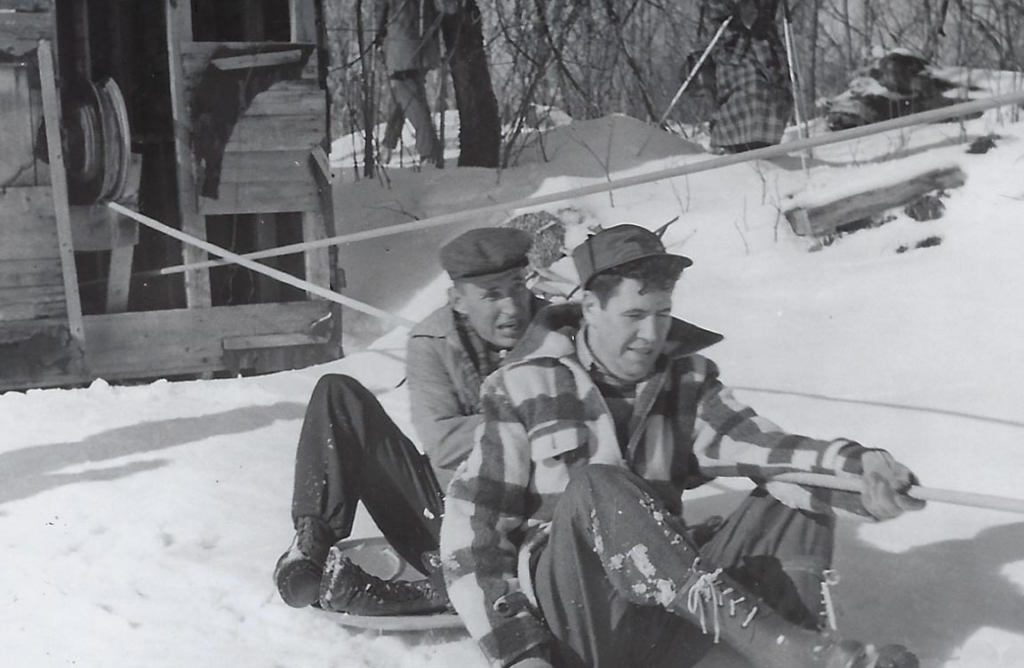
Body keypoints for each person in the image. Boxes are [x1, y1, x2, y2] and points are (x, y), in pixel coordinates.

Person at [440, 224, 925, 668]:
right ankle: (779, 648)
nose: (651, 334)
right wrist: (518, 650)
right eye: (633, 315)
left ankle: (805, 647)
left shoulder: (686, 381)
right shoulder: (524, 386)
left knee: (796, 487)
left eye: (662, 314)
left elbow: (762, 446)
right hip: (577, 623)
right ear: (590, 308)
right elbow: (472, 528)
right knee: (596, 485)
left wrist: (859, 475)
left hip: (665, 612)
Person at [274, 227, 546, 615]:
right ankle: (310, 547)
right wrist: (533, 410)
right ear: (459, 300)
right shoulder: (432, 341)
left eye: (518, 286)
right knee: (338, 395)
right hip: (446, 516)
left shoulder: (556, 329)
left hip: (534, 524)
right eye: (490, 294)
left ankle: (438, 592)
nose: (512, 307)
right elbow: (444, 443)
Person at [698, 0, 793, 153]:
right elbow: (714, 11)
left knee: (773, 91)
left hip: (764, 44)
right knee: (744, 90)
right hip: (732, 49)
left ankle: (763, 144)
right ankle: (729, 143)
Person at [375, 0, 443, 165]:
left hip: (404, 51)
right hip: (413, 50)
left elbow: (380, 16)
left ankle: (426, 154)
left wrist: (379, 40)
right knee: (407, 101)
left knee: (409, 101)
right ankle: (422, 153)